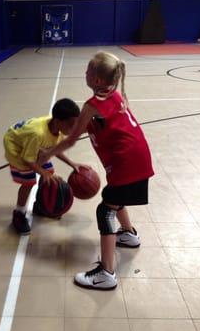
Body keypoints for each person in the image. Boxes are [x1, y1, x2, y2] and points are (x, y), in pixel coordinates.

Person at [38, 52, 154, 290]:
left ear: (98, 80)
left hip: (127, 162)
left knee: (105, 210)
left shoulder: (92, 105)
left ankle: (106, 273)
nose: (85, 73)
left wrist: (48, 153)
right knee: (114, 197)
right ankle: (129, 235)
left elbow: (71, 139)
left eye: (88, 71)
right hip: (138, 157)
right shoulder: (113, 94)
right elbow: (93, 126)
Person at [3, 98, 81, 234]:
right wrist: (42, 173)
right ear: (58, 121)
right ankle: (19, 214)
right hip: (16, 147)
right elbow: (27, 160)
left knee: (49, 172)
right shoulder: (37, 134)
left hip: (29, 142)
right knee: (29, 182)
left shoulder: (57, 128)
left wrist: (71, 163)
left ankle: (40, 205)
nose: (73, 128)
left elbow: (54, 149)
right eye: (71, 125)